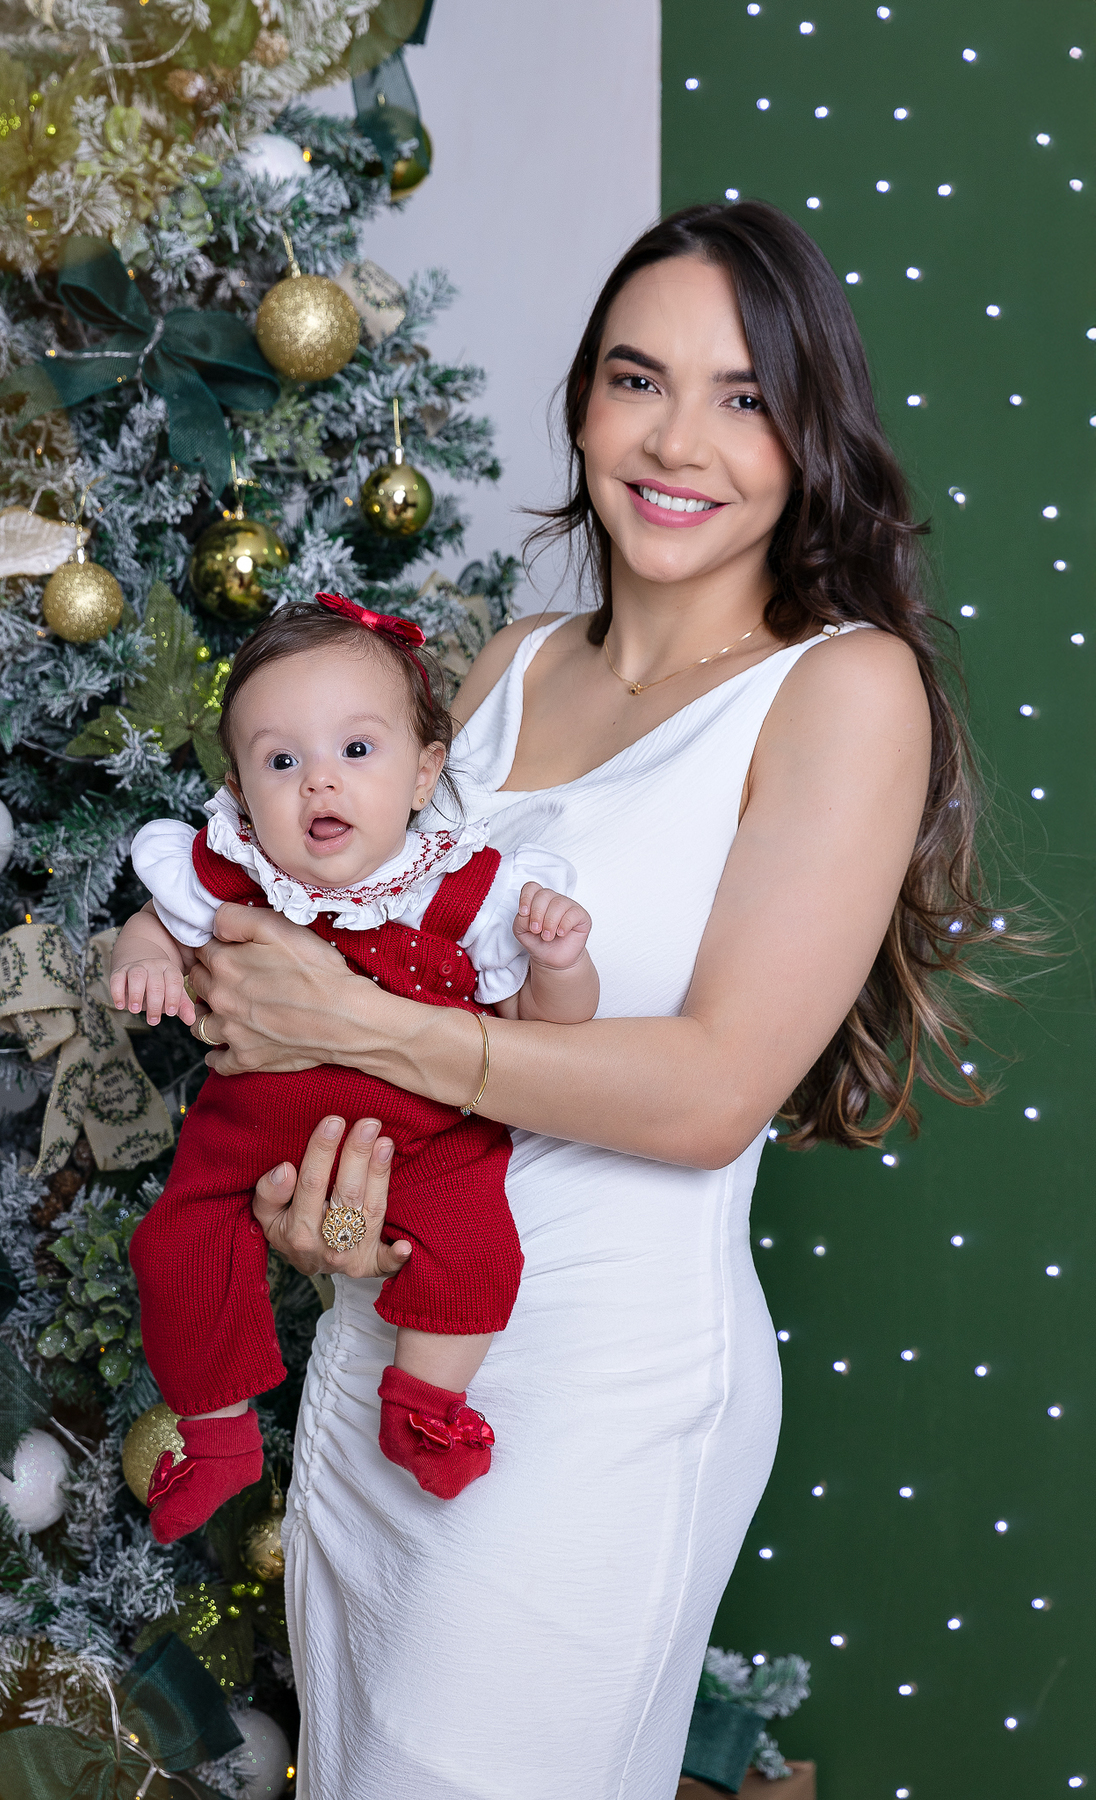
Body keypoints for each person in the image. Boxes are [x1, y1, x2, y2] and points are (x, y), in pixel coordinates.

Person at [183, 203, 1004, 1798]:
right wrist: (313, 1196)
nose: (677, 440)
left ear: (808, 435)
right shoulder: (503, 670)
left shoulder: (841, 687)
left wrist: (354, 1029)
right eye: (639, 380)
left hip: (604, 1394)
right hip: (386, 1359)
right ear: (582, 403)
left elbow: (711, 1093)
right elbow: (383, 985)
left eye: (743, 396)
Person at [112, 594, 597, 1540]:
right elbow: (158, 921)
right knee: (175, 1245)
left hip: (427, 1138)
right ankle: (216, 1436)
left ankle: (426, 1403)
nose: (319, 783)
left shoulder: (460, 888)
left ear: (424, 774)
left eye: (357, 750)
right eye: (281, 762)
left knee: (476, 1249)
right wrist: (145, 958)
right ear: (241, 790)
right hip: (243, 1133)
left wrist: (560, 964)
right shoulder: (236, 869)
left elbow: (548, 1031)